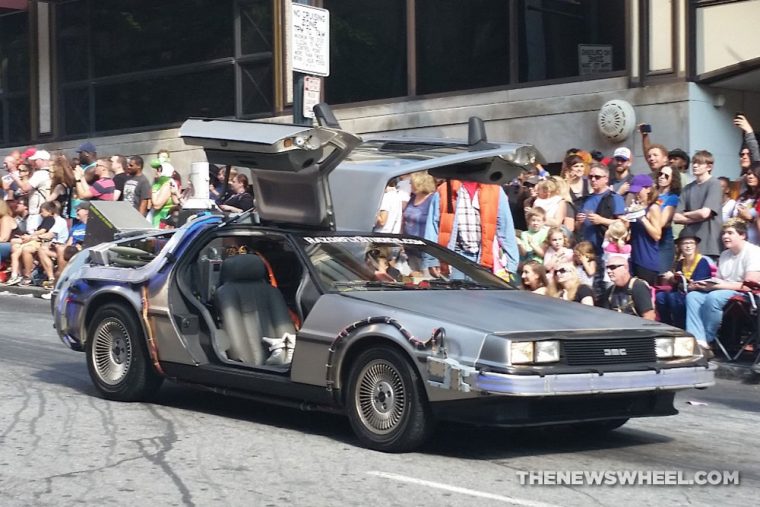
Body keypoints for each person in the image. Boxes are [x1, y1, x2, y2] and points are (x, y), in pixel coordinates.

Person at [685, 219, 760, 350]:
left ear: (742, 235)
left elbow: (750, 285)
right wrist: (702, 285)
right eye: (724, 233)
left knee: (714, 297)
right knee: (693, 296)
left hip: (745, 294)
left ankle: (708, 338)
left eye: (730, 233)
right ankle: (698, 339)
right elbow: (718, 280)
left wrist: (718, 286)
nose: (725, 236)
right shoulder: (725, 254)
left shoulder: (753, 252)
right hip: (724, 290)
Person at [424, 179, 519, 278]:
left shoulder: (495, 190)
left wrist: (511, 263)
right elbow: (433, 227)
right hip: (454, 259)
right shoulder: (444, 190)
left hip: (484, 261)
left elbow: (505, 228)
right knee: (456, 292)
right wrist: (431, 259)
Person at [576, 162, 626, 295]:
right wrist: (579, 222)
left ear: (606, 178)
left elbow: (624, 224)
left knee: (606, 289)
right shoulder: (586, 199)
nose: (593, 180)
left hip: (607, 251)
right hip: (588, 252)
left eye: (597, 177)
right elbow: (577, 227)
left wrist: (602, 220)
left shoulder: (614, 198)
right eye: (590, 177)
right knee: (588, 290)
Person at [655, 232, 712, 329]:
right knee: (660, 296)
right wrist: (672, 278)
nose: (688, 246)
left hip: (697, 294)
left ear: (695, 246)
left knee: (673, 297)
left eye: (691, 243)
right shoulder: (680, 263)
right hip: (681, 292)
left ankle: (680, 327)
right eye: (685, 243)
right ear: (680, 246)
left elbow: (698, 284)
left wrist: (679, 279)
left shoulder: (702, 262)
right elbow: (676, 284)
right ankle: (666, 325)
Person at [673, 150, 723, 258]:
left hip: (710, 245)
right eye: (694, 163)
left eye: (699, 163)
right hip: (691, 246)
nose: (695, 166)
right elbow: (676, 217)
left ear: (709, 167)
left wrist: (686, 214)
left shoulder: (714, 184)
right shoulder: (687, 188)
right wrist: (696, 217)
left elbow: (705, 213)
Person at [625, 174, 661, 285]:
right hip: (633, 258)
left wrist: (642, 218)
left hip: (647, 260)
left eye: (638, 191)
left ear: (648, 189)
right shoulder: (634, 206)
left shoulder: (653, 208)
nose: (636, 194)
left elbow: (657, 235)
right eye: (634, 192)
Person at [600, 254, 656, 320]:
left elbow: (649, 317)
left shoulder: (638, 287)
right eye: (607, 268)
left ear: (626, 268)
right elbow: (605, 317)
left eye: (613, 267)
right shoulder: (610, 292)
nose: (608, 271)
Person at [655, 165, 682, 273]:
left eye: (666, 176)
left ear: (673, 179)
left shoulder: (672, 198)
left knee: (662, 274)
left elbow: (662, 222)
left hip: (664, 240)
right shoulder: (652, 194)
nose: (662, 177)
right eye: (660, 174)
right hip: (648, 239)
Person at [730, 161, 759, 245]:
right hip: (739, 244)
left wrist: (750, 218)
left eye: (754, 174)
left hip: (755, 245)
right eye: (748, 174)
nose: (750, 176)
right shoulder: (742, 197)